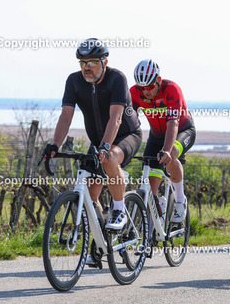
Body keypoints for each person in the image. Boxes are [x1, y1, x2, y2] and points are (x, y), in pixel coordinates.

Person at [41, 38, 142, 232]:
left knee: (110, 157)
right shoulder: (74, 81)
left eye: (93, 62)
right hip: (99, 142)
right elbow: (66, 116)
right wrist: (55, 145)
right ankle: (102, 240)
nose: (86, 67)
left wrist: (105, 147)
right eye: (82, 62)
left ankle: (119, 211)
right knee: (90, 196)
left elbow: (116, 118)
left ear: (105, 62)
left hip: (126, 135)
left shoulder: (117, 78)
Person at [130, 59, 196, 222]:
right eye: (142, 87)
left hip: (183, 131)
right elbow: (128, 121)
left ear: (158, 80)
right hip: (156, 136)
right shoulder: (134, 92)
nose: (146, 91)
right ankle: (154, 225)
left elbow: (173, 123)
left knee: (171, 153)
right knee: (150, 187)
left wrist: (166, 150)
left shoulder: (171, 89)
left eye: (150, 86)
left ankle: (180, 200)